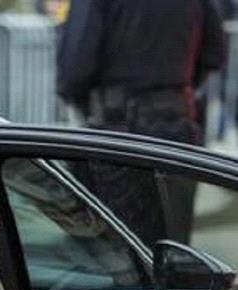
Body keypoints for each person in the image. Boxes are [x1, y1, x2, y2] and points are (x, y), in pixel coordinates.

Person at [56, 0, 226, 246]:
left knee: (118, 251)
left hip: (116, 136)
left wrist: (91, 105)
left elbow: (74, 70)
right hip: (175, 130)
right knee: (171, 248)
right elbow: (214, 52)